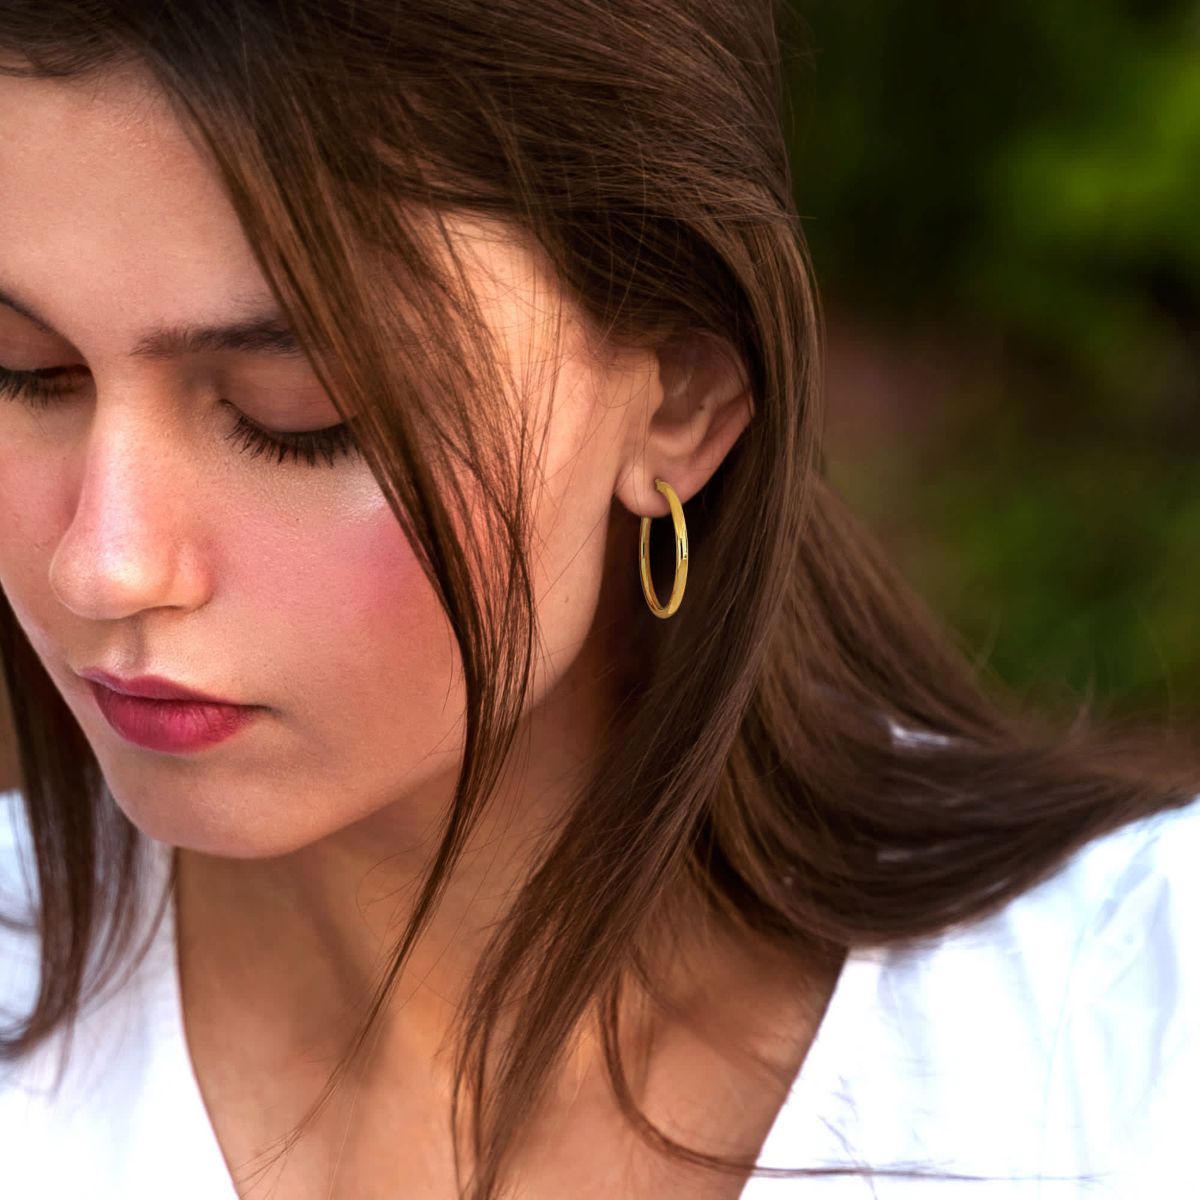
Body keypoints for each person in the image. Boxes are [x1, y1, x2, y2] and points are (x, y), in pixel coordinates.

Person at [0, 4, 1196, 1198]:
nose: (103, 565)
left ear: (678, 400)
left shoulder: (1135, 1045)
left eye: (299, 414)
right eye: (26, 373)